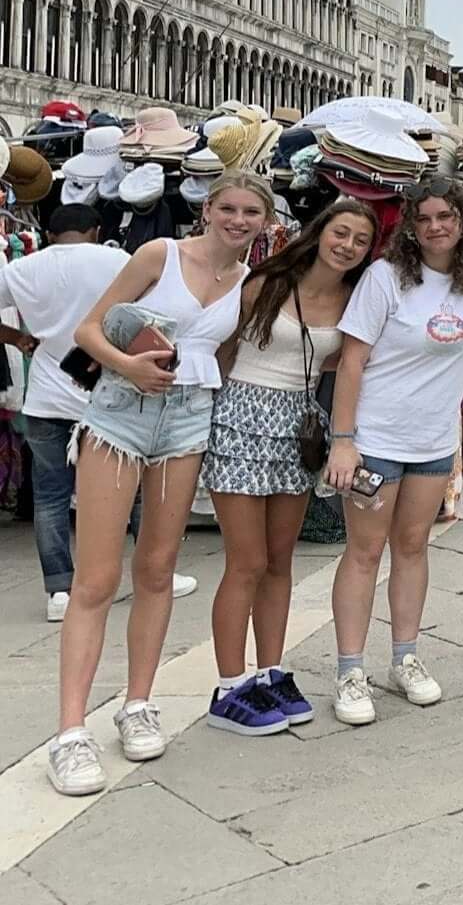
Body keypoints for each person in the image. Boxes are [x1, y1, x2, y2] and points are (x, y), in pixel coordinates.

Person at [47, 172, 272, 796]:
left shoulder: (246, 284)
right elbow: (89, 330)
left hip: (188, 421)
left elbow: (224, 356)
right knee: (95, 579)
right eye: (228, 207)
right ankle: (70, 733)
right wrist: (127, 366)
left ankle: (137, 703)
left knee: (157, 568)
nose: (238, 219)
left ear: (264, 220)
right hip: (120, 412)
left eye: (251, 211)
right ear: (208, 208)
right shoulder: (159, 254)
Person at [203, 199, 379, 737]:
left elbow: (339, 360)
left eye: (360, 240)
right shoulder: (270, 281)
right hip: (242, 418)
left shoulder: (353, 299)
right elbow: (223, 349)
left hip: (299, 430)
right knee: (247, 562)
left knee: (280, 560)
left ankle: (269, 671)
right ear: (320, 231)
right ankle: (229, 685)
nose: (347, 245)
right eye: (340, 232)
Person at [325, 178, 463, 726]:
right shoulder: (386, 277)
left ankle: (405, 658)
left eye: (446, 216)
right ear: (410, 228)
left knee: (415, 547)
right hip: (376, 440)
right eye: (423, 219)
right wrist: (343, 441)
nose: (435, 227)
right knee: (364, 552)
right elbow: (351, 360)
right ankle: (350, 670)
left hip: (432, 443)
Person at [0, 205, 195, 623]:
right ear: (96, 229)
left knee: (50, 495)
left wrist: (18, 338)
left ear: (49, 234)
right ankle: (156, 574)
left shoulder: (22, 269)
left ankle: (59, 590)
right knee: (136, 488)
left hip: (47, 400)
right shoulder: (118, 260)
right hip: (108, 398)